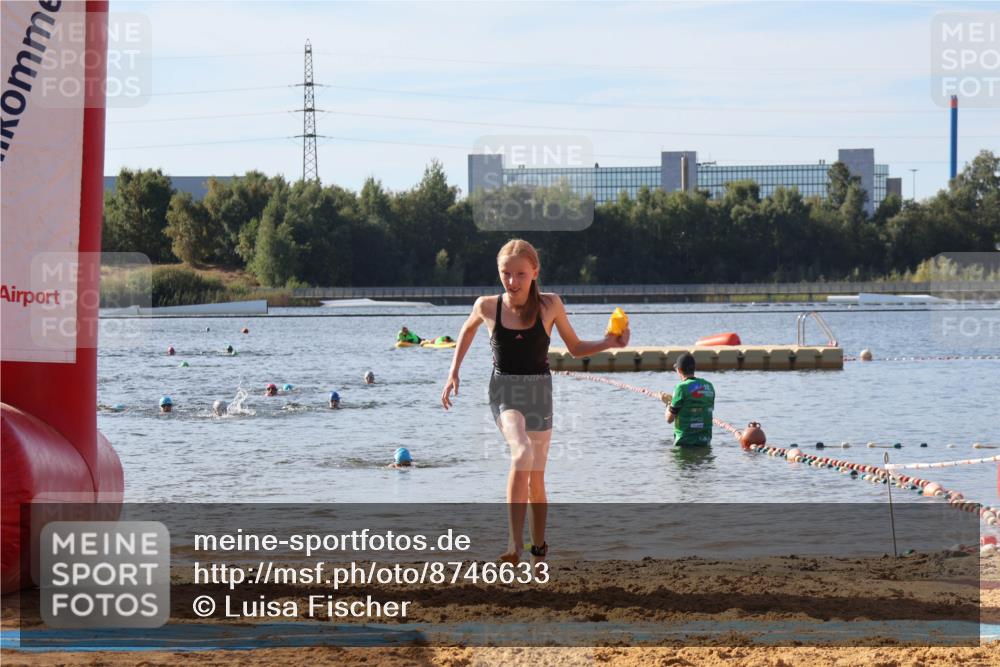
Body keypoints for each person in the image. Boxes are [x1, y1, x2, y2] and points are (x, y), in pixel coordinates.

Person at [441, 239, 630, 566]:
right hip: (505, 390)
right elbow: (467, 330)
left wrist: (610, 342)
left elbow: (575, 348)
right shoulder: (487, 306)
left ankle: (538, 550)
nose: (512, 281)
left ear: (534, 272)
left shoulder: (550, 305)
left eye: (520, 274)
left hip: (540, 392)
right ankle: (514, 543)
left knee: (537, 482)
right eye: (506, 273)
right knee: (522, 451)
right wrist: (453, 371)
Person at [664, 352, 716, 447]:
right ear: (694, 369)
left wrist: (668, 404)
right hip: (705, 442)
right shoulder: (709, 386)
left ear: (679, 370)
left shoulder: (681, 388)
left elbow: (669, 419)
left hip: (684, 443)